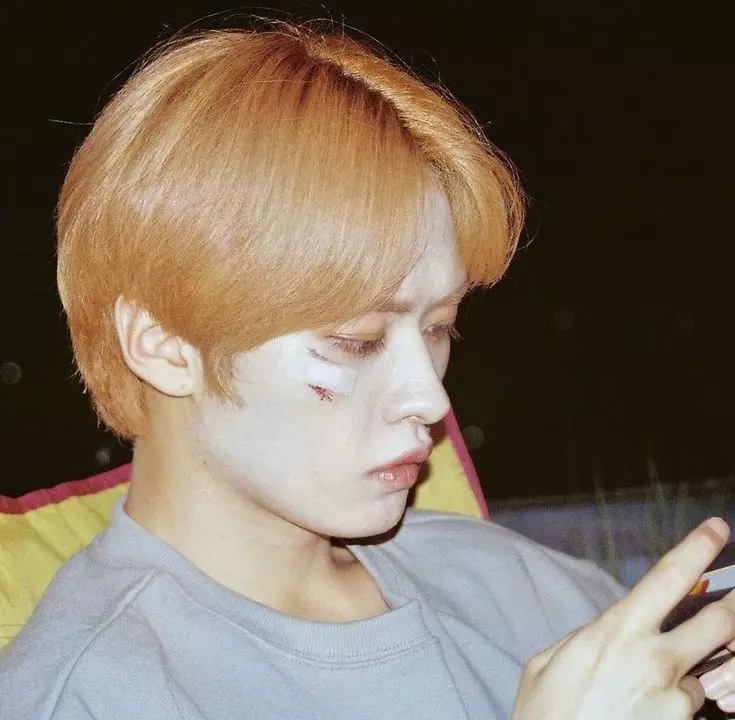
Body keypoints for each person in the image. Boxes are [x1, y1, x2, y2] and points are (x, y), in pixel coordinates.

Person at [1, 21, 734, 720]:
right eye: (355, 341)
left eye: (438, 327)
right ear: (163, 344)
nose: (430, 398)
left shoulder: (514, 583)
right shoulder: (82, 696)